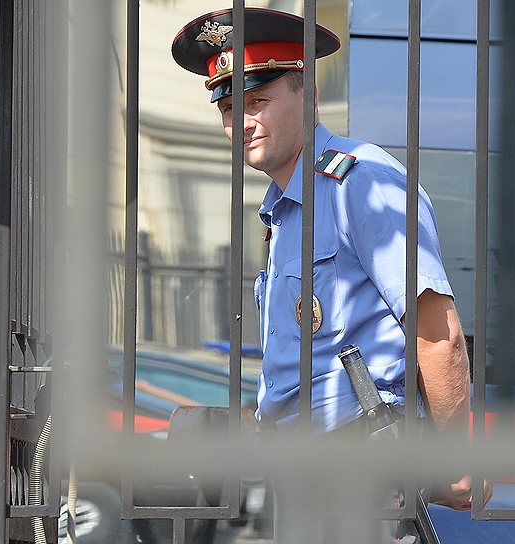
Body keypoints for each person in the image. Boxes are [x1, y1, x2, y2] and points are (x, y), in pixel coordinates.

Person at [171, 7, 491, 542]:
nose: (240, 122)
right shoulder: (284, 208)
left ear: (309, 96)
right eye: (228, 107)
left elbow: (438, 330)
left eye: (257, 101)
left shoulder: (360, 183)